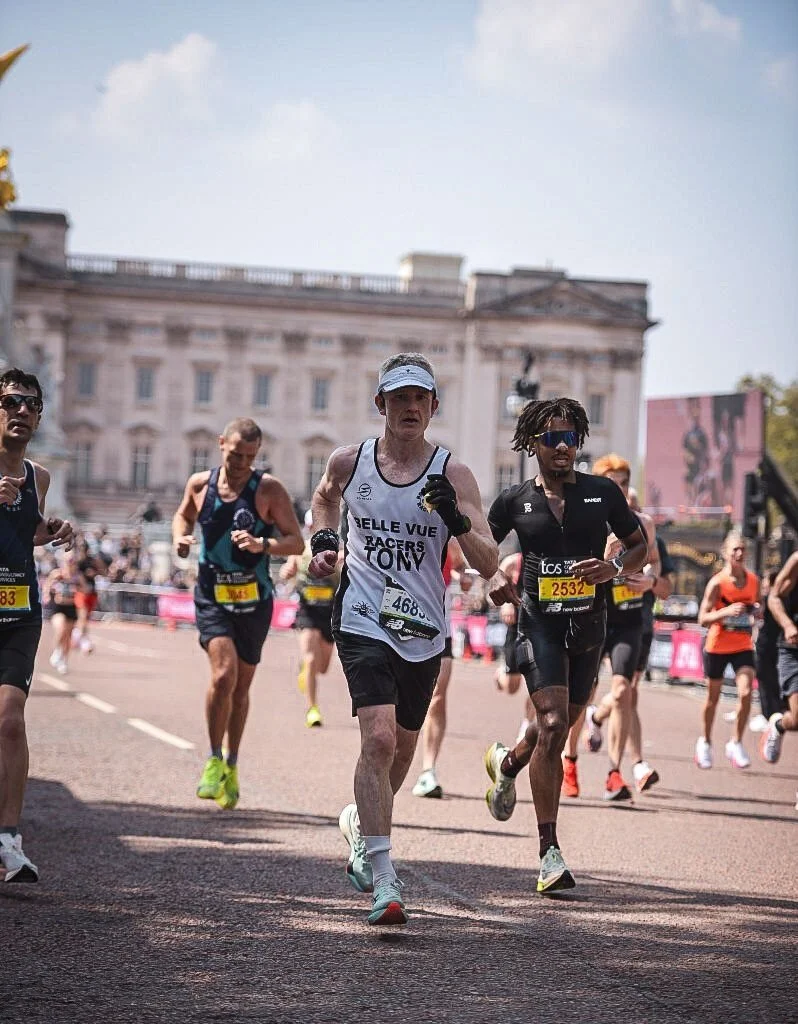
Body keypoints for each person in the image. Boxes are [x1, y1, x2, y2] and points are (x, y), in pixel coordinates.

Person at [308, 353, 498, 926]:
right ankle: (385, 880)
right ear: (381, 405)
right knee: (381, 739)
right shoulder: (350, 461)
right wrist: (321, 541)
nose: (409, 407)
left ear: (434, 407)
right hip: (363, 615)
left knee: (404, 753)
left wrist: (459, 522)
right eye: (398, 398)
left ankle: (362, 822)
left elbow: (489, 563)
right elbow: (323, 498)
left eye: (420, 398)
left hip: (423, 628)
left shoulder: (454, 474)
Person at [484, 399, 647, 893]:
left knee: (555, 726)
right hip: (538, 625)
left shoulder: (601, 493)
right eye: (552, 438)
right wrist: (492, 574)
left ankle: (507, 763)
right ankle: (549, 852)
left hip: (588, 627)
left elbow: (638, 544)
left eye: (570, 438)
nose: (562, 446)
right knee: (553, 723)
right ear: (532, 443)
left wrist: (615, 568)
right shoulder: (513, 500)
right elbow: (479, 548)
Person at [173, 418, 303, 810]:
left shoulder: (268, 489)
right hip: (212, 595)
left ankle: (232, 764)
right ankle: (213, 759)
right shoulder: (200, 484)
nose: (242, 463)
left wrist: (262, 544)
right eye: (235, 454)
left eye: (250, 457)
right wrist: (179, 537)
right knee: (223, 674)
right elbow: (183, 516)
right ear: (220, 445)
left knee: (241, 688)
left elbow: (295, 541)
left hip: (254, 600)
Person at [0, 368, 73, 883]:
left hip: (19, 611)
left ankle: (8, 838)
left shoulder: (37, 478)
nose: (21, 411)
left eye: (31, 404)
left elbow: (22, 533)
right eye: (10, 402)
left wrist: (53, 531)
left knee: (9, 717)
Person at [578, 455, 661, 801]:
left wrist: (650, 579)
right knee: (580, 694)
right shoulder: (589, 520)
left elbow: (654, 563)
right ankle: (569, 759)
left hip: (628, 618)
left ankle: (615, 773)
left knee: (625, 690)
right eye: (614, 484)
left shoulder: (643, 523)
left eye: (625, 483)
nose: (621, 490)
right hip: (594, 614)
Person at [411, 538, 471, 799]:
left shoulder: (446, 536)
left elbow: (460, 565)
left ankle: (428, 770)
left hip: (438, 627)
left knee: (436, 697)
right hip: (397, 624)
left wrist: (463, 576)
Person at [695, 531, 759, 769]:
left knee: (745, 693)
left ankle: (736, 742)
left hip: (742, 645)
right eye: (735, 550)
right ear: (726, 554)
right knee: (712, 699)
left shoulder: (754, 581)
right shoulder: (717, 583)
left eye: (743, 549)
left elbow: (755, 606)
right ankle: (705, 741)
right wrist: (725, 613)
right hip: (717, 646)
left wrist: (755, 613)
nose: (739, 553)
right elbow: (702, 618)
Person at [279, 509, 341, 728]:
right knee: (311, 660)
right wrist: (286, 572)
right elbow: (288, 568)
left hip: (329, 613)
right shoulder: (301, 549)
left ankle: (306, 669)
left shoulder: (338, 550)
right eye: (310, 526)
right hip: (307, 611)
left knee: (322, 667)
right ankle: (312, 709)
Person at [493, 550, 534, 745]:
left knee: (539, 680)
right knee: (511, 686)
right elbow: (492, 588)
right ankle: (502, 673)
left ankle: (527, 724)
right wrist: (505, 604)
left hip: (540, 628)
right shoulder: (513, 562)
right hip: (516, 627)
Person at [761, 552, 798, 763]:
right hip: (793, 649)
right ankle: (779, 724)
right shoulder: (796, 562)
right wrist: (787, 625)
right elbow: (774, 598)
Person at [752, 570, 786, 731]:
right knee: (771, 680)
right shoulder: (780, 599)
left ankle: (769, 714)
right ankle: (774, 713)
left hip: (767, 645)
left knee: (767, 680)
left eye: (766, 580)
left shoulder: (770, 599)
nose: (763, 583)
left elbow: (757, 615)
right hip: (773, 645)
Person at [43, 550, 80, 675]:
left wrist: (78, 586)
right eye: (68, 561)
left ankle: (64, 660)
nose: (70, 563)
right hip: (58, 606)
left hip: (71, 607)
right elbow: (47, 585)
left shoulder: (77, 576)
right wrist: (47, 595)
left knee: (67, 636)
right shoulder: (57, 574)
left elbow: (86, 589)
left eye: (72, 561)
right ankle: (57, 652)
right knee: (61, 628)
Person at [73, 538, 106, 654]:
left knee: (85, 619)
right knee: (82, 616)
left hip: (92, 592)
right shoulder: (77, 562)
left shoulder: (92, 561)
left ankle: (80, 638)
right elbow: (74, 574)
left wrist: (95, 572)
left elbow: (103, 572)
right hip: (81, 592)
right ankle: (79, 639)